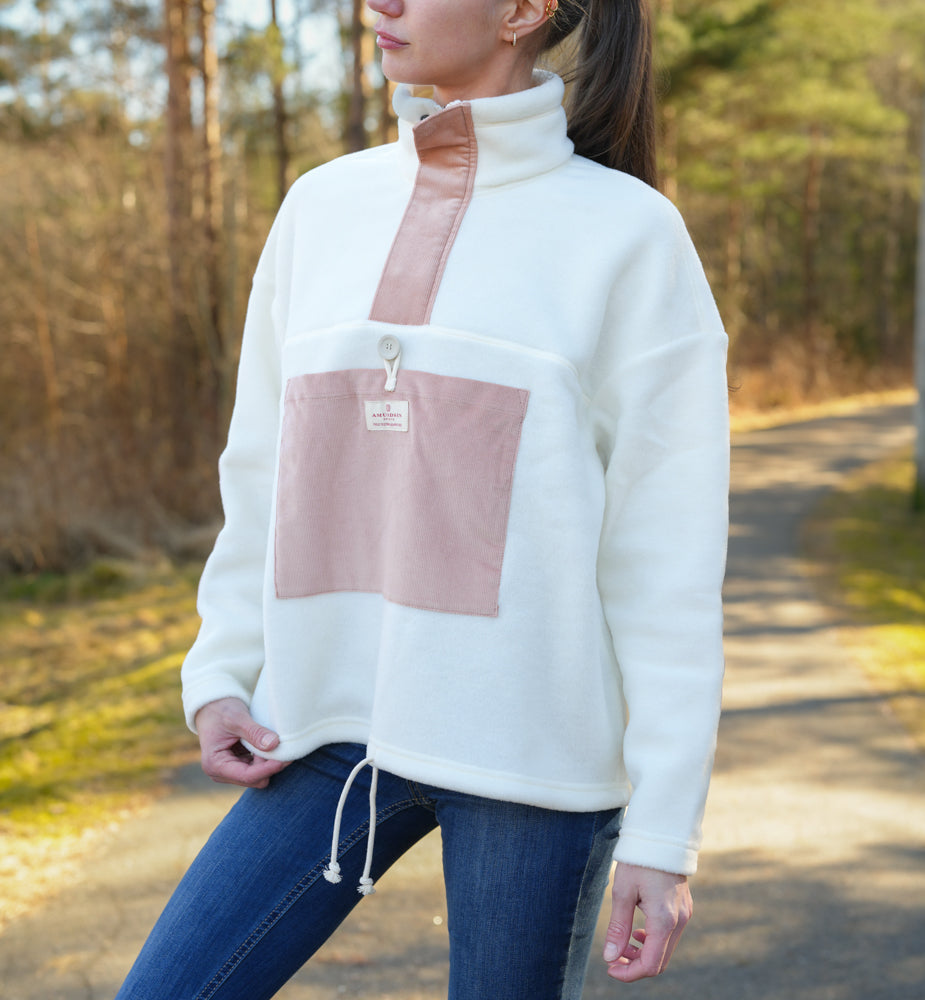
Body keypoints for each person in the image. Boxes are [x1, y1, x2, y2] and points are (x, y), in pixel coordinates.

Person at [116, 0, 729, 997]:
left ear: (523, 10)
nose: (380, 4)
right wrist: (222, 669)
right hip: (327, 732)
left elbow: (666, 561)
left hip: (534, 765)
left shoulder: (629, 235)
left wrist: (662, 836)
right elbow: (263, 464)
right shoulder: (321, 205)